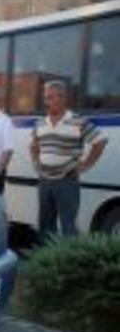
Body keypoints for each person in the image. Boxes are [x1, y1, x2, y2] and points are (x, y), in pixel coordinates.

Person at [30, 80, 108, 237]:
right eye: (50, 97)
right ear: (45, 100)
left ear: (65, 98)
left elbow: (100, 141)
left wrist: (86, 165)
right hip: (45, 181)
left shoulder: (78, 121)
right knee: (45, 224)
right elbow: (33, 145)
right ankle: (47, 259)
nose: (55, 100)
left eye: (59, 96)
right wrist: (36, 163)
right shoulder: (40, 123)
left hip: (67, 180)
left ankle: (67, 260)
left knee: (68, 225)